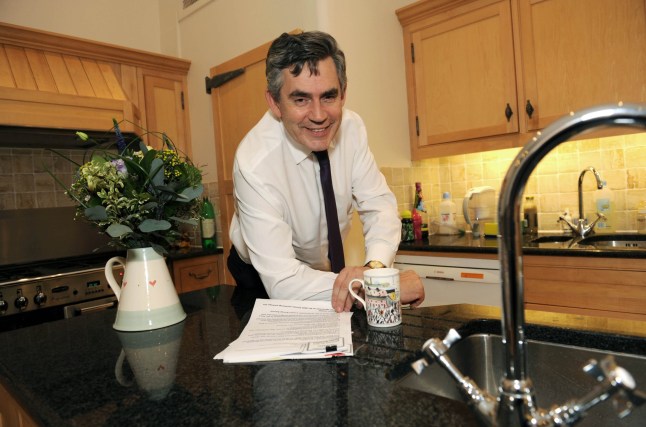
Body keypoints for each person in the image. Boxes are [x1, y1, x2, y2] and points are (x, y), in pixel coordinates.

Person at [228, 31, 424, 316]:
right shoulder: (254, 163)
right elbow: (283, 282)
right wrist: (380, 289)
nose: (319, 115)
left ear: (343, 93)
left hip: (325, 274)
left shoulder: (353, 130)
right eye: (301, 99)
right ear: (274, 103)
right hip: (263, 276)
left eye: (329, 96)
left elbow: (379, 206)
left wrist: (376, 269)